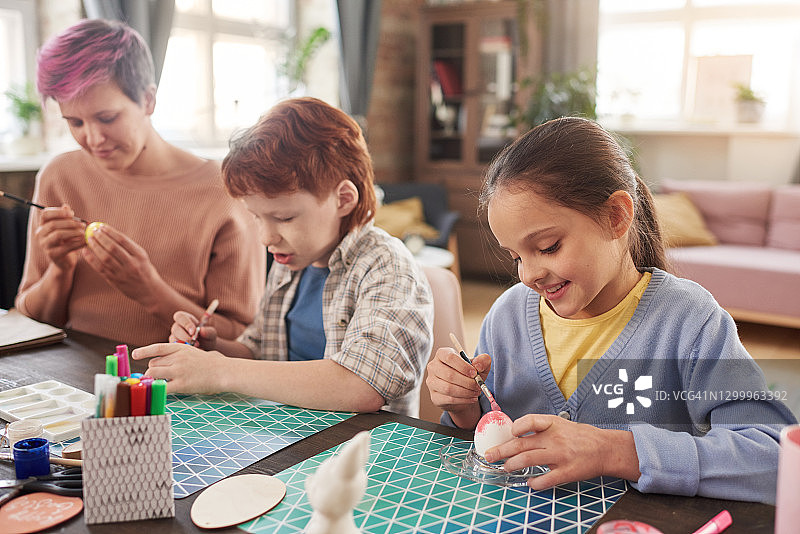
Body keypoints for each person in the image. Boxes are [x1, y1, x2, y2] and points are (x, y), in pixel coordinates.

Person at [426, 117, 796, 503]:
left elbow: (776, 458)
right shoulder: (506, 317)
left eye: (548, 246)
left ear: (616, 216)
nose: (529, 274)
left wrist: (614, 451)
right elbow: (488, 439)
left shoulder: (689, 321)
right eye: (515, 256)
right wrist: (464, 407)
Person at [132, 97, 434, 416]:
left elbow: (362, 387)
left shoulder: (387, 268)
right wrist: (213, 351)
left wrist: (220, 371)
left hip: (366, 453)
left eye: (285, 218)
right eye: (257, 217)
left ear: (343, 199)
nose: (266, 238)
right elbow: (261, 352)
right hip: (287, 435)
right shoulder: (292, 260)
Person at [15, 19, 265, 346]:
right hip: (70, 380)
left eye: (107, 118)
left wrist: (149, 290)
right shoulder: (59, 177)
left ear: (148, 101)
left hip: (171, 388)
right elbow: (30, 323)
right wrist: (60, 271)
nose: (92, 139)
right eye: (74, 122)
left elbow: (241, 337)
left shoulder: (223, 192)